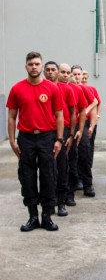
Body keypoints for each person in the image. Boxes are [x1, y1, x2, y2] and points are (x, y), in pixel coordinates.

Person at [6, 52, 64, 232]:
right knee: (27, 177)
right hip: (26, 138)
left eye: (37, 64)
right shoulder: (17, 89)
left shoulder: (52, 88)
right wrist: (12, 140)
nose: (34, 67)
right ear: (26, 67)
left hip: (47, 137)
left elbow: (60, 116)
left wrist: (59, 139)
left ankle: (47, 216)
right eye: (30, 64)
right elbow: (11, 117)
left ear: (41, 66)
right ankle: (32, 216)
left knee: (48, 175)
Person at [44, 61, 76, 217]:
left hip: (61, 133)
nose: (50, 72)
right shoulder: (40, 88)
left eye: (53, 70)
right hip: (44, 134)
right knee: (48, 171)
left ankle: (62, 202)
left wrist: (70, 135)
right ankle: (49, 203)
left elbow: (72, 112)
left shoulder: (66, 89)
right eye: (47, 70)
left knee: (62, 168)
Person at [58, 63, 88, 207]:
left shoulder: (76, 89)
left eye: (67, 72)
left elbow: (82, 111)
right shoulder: (52, 88)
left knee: (71, 163)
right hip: (54, 131)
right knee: (56, 166)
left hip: (70, 130)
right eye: (62, 72)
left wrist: (80, 130)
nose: (65, 75)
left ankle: (69, 194)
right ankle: (55, 196)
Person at [72, 65, 98, 198]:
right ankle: (75, 181)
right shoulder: (67, 88)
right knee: (71, 155)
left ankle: (88, 184)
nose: (76, 77)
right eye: (74, 74)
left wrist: (90, 123)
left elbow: (95, 103)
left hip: (82, 124)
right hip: (69, 125)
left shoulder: (85, 89)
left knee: (85, 152)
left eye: (78, 74)